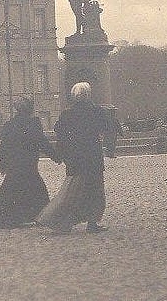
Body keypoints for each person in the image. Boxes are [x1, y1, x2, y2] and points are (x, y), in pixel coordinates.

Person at [37, 82, 112, 234]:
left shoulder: (67, 114)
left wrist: (61, 154)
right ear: (88, 95)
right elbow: (106, 126)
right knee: (95, 191)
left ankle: (63, 222)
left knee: (71, 192)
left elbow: (60, 132)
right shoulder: (96, 111)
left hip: (75, 158)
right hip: (92, 157)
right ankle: (92, 223)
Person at [0, 97, 60, 229]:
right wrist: (55, 156)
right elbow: (42, 142)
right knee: (37, 190)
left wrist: (3, 163)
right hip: (29, 163)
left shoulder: (10, 124)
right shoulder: (33, 123)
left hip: (14, 163)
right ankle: (43, 217)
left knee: (11, 189)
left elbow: (4, 146)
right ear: (29, 109)